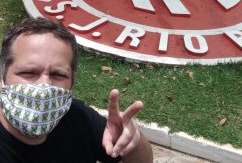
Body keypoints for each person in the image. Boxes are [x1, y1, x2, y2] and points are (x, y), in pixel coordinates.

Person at [0, 17, 153, 163]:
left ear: (72, 83)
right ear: (2, 78)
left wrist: (133, 141)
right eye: (29, 73)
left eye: (58, 75)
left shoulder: (79, 117)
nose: (44, 86)